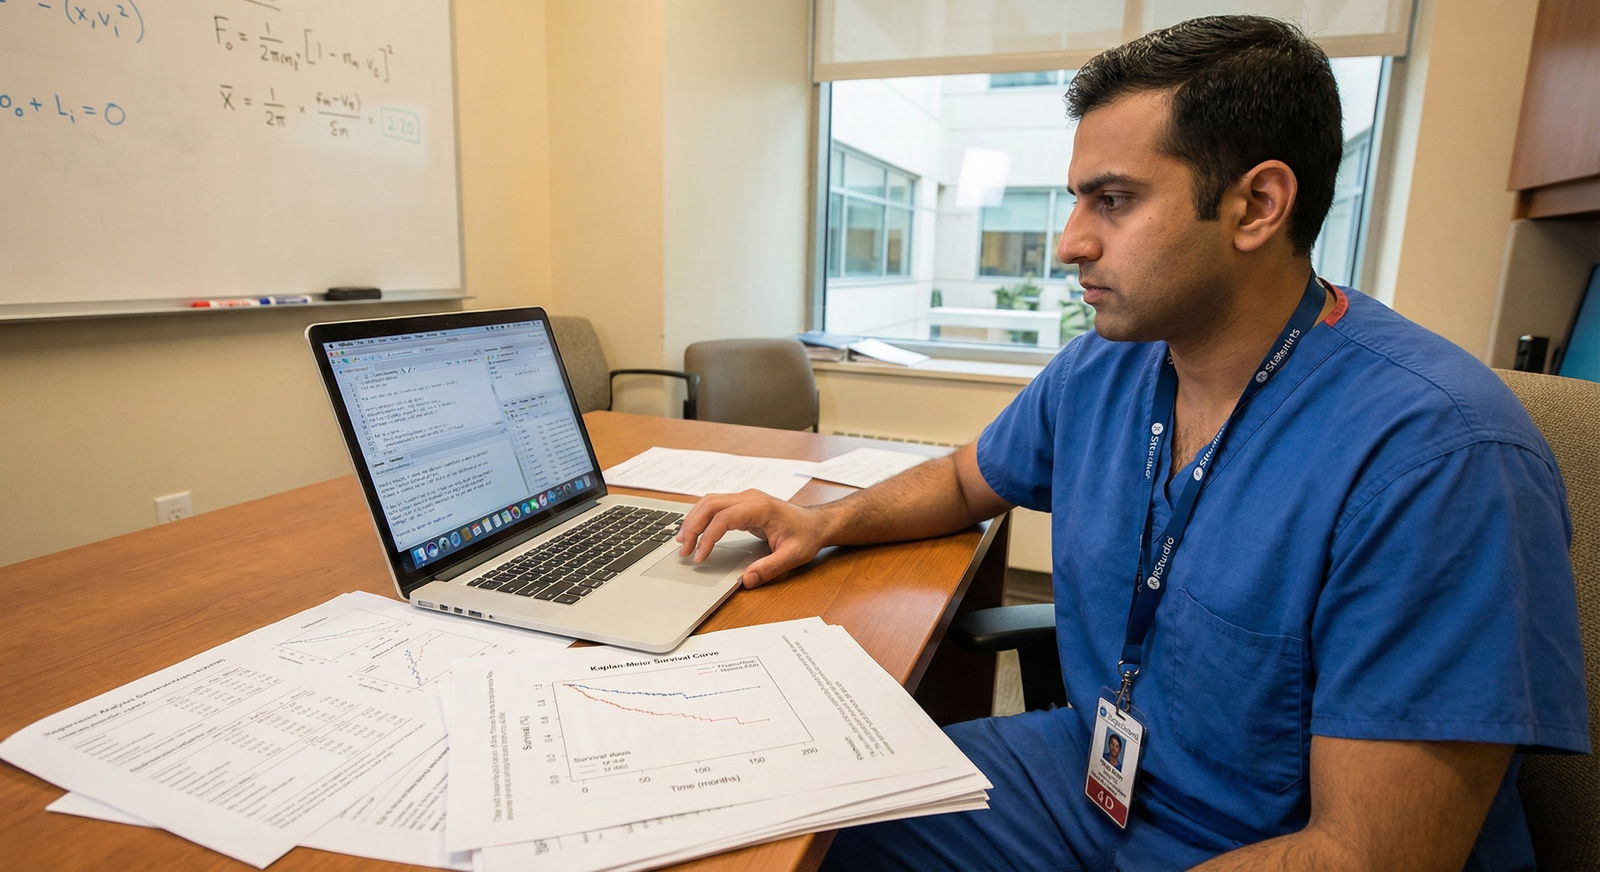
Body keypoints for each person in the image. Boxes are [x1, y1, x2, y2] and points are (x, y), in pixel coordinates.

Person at [677, 15, 1589, 871]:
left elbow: (1369, 855)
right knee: (796, 822)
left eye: (1112, 201)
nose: (1070, 243)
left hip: (1260, 840)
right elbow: (967, 480)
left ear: (1256, 206)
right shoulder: (1105, 368)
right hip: (1092, 777)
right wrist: (821, 521)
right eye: (1079, 200)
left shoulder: (1441, 460)